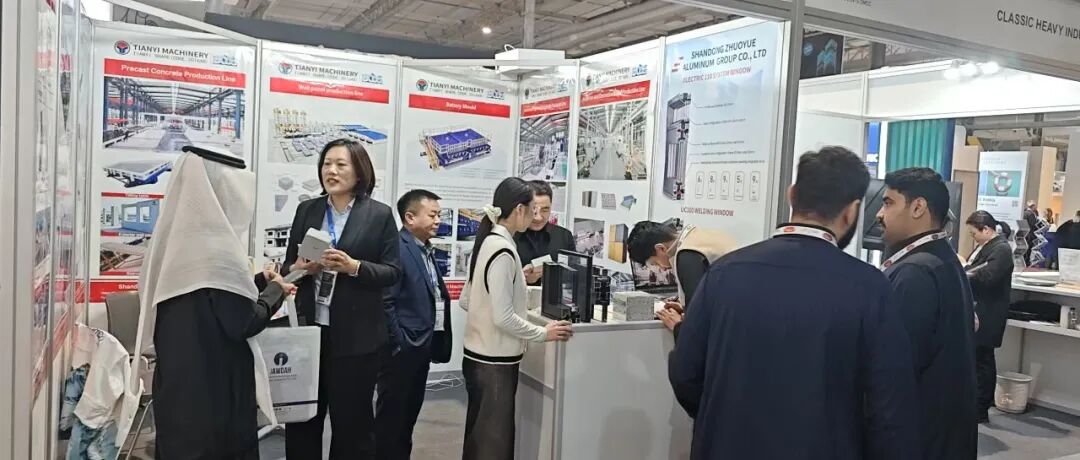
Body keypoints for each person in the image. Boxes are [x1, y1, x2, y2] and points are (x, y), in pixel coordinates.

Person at [669, 147, 919, 459]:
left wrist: (722, 421)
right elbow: (889, 406)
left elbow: (686, 374)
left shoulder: (724, 273)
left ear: (791, 195)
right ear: (852, 211)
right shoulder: (869, 288)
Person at [137, 151, 296, 459]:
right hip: (215, 392)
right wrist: (276, 291)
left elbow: (209, 299)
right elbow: (243, 321)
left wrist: (258, 281)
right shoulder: (219, 249)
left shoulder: (177, 242)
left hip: (178, 383)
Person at [283, 139, 402, 460]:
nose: (331, 171)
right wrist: (300, 268)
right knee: (302, 420)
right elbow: (288, 266)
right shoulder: (307, 210)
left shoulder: (378, 215)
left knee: (353, 425)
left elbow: (393, 272)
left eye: (340, 164)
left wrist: (354, 267)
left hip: (356, 338)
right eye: (326, 164)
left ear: (359, 172)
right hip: (309, 332)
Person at [459, 177, 573, 460]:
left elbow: (466, 300)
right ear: (519, 210)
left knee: (480, 437)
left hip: (480, 357)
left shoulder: (488, 242)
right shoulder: (503, 250)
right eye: (532, 210)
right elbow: (503, 317)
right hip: (494, 363)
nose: (536, 217)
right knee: (493, 443)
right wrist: (543, 333)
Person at [876, 167, 977, 459]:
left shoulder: (914, 273)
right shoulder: (941, 260)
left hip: (916, 439)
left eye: (888, 203)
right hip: (942, 435)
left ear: (918, 207)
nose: (879, 214)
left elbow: (893, 373)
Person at [376, 189, 453, 460]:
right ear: (410, 217)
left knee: (407, 418)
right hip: (403, 350)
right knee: (391, 420)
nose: (438, 221)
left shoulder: (424, 249)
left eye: (439, 215)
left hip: (421, 347)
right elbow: (386, 301)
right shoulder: (398, 248)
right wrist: (399, 342)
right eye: (432, 215)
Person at [626, 220, 736, 334]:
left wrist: (677, 326)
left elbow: (698, 328)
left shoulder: (686, 255)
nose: (662, 269)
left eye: (655, 263)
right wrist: (685, 307)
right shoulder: (700, 237)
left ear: (661, 249)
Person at [964, 210, 1016, 424]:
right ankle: (974, 405)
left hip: (989, 312)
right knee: (978, 358)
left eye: (974, 233)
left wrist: (966, 272)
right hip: (979, 309)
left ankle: (980, 408)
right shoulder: (987, 247)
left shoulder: (1001, 249)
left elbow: (988, 277)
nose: (973, 237)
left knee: (983, 359)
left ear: (986, 229)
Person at [515, 180, 574, 285]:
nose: (538, 217)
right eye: (534, 209)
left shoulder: (564, 236)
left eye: (545, 210)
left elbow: (573, 277)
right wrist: (522, 278)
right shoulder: (511, 236)